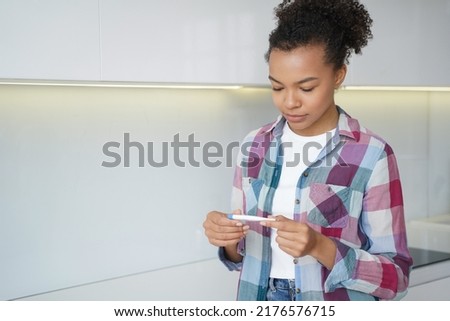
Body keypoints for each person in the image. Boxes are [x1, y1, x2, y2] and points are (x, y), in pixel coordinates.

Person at [203, 0, 412, 301]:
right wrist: (226, 240)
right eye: (277, 87)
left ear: (339, 74)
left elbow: (397, 277)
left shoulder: (372, 154)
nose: (289, 102)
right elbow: (240, 254)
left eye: (307, 88)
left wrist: (320, 247)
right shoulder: (254, 145)